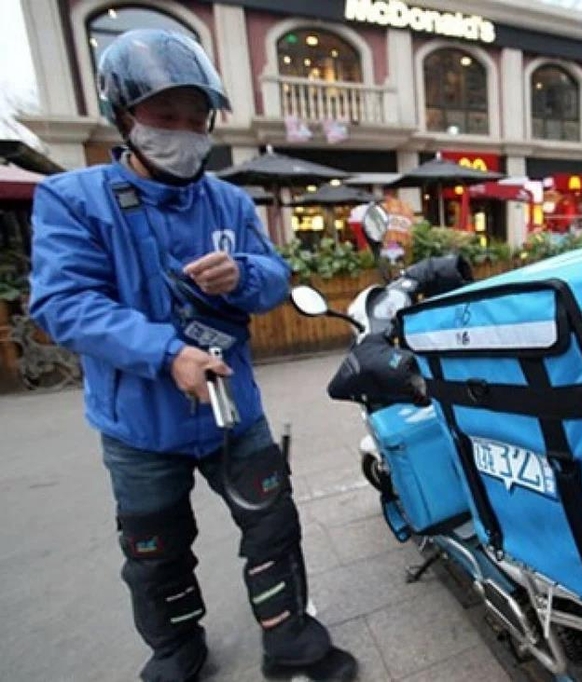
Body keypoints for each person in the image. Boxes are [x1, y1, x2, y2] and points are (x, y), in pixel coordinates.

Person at [28, 30, 357, 682]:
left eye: (196, 119)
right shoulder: (74, 200)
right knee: (155, 552)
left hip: (235, 411)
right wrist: (165, 352)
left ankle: (290, 637)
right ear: (125, 117)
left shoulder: (230, 200)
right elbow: (63, 304)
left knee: (272, 528)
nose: (185, 132)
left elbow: (274, 279)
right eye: (165, 117)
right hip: (139, 425)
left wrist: (242, 275)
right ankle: (176, 650)